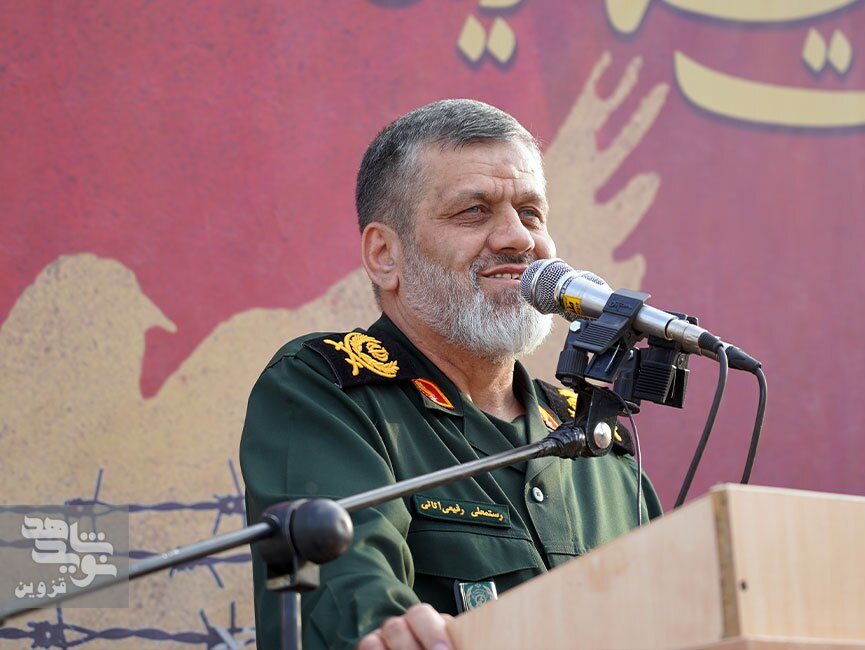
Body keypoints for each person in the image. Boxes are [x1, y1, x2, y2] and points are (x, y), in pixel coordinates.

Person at [240, 99, 662, 650]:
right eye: (474, 211)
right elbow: (351, 589)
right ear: (385, 255)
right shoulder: (324, 390)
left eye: (531, 213)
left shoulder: (596, 444)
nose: (519, 239)